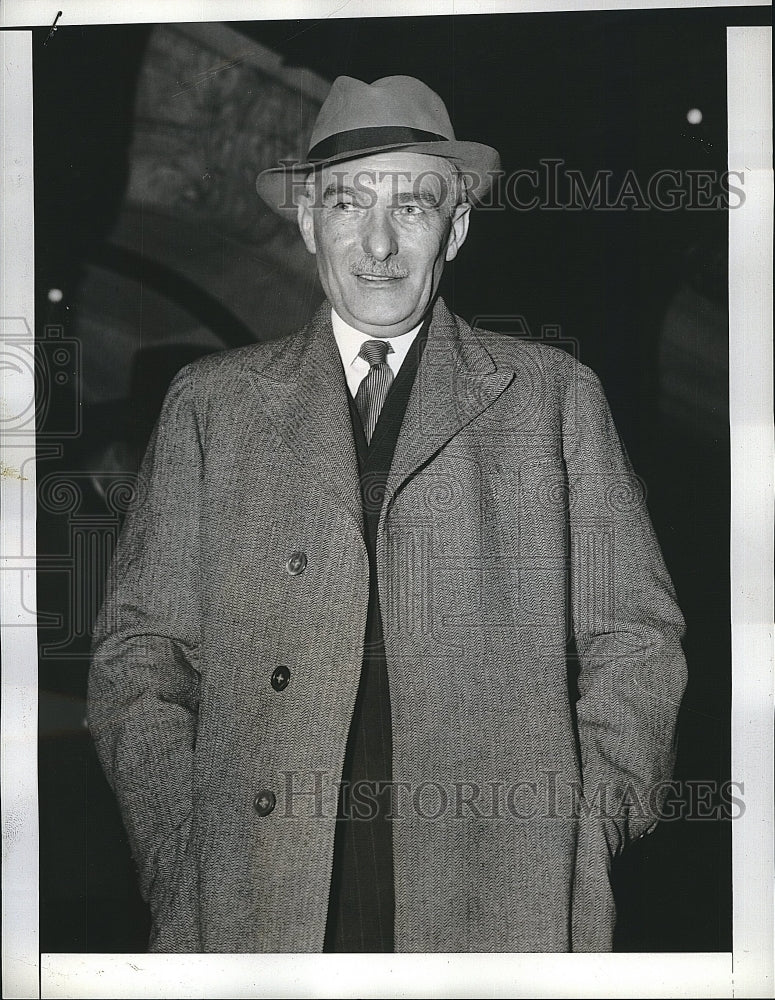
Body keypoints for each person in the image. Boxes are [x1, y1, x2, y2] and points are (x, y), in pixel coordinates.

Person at [88, 74, 688, 954]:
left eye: (411, 207)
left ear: (457, 228)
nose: (375, 244)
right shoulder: (211, 405)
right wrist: (180, 845)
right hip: (257, 897)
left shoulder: (550, 400)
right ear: (306, 223)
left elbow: (635, 640)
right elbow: (140, 654)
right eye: (344, 203)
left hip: (496, 893)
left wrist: (580, 838)